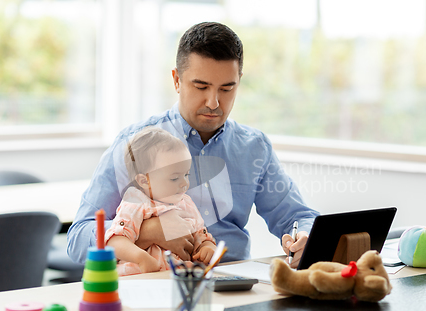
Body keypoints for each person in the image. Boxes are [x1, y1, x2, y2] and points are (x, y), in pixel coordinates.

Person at [68, 21, 319, 268]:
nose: (213, 102)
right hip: (152, 283)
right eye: (201, 86)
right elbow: (78, 238)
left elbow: (299, 217)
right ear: (177, 80)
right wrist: (148, 231)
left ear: (239, 82)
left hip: (232, 282)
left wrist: (305, 238)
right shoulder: (133, 145)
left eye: (226, 89)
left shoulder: (254, 148)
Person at [105, 127, 216, 276]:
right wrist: (141, 258)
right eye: (175, 178)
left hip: (178, 280)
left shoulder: (186, 203)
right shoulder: (136, 202)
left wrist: (207, 248)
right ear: (145, 181)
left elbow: (201, 237)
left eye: (186, 174)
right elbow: (114, 242)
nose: (184, 183)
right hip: (139, 278)